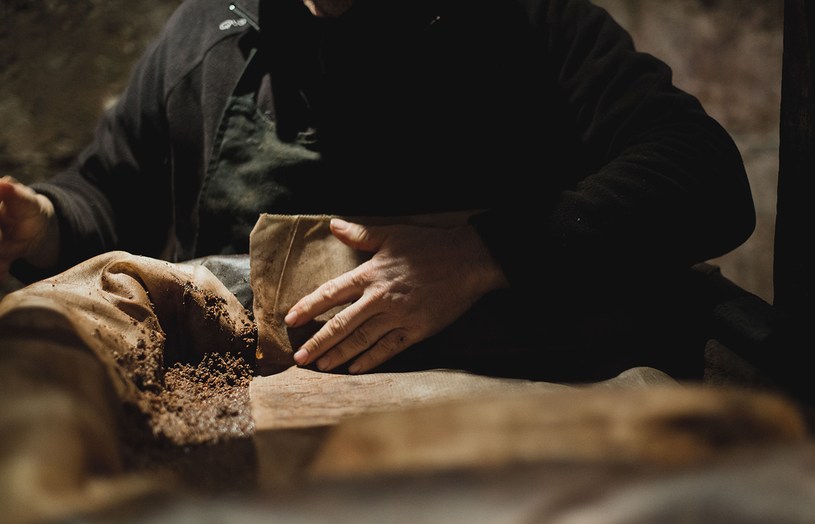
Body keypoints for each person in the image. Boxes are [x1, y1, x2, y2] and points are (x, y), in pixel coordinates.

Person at [0, 0, 755, 381]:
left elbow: (701, 175)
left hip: (499, 390)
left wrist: (481, 255)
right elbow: (108, 194)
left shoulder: (522, 21)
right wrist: (43, 222)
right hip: (250, 402)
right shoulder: (211, 32)